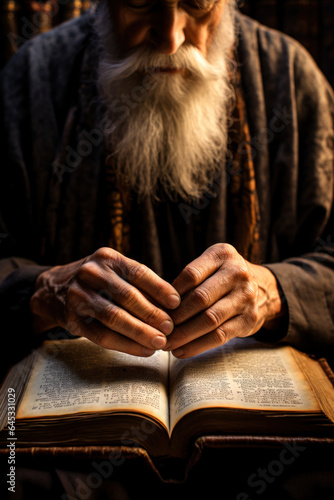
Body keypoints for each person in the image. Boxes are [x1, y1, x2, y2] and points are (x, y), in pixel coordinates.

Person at [0, 0, 334, 366]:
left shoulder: (290, 77)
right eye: (141, 4)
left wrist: (272, 292)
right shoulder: (34, 76)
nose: (171, 39)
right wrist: (46, 292)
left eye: (197, 5)